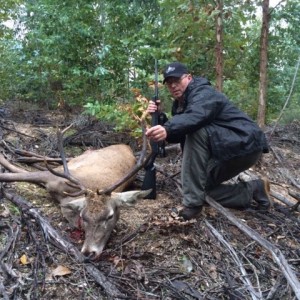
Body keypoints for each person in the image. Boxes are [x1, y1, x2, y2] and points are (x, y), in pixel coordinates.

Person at [145, 62, 270, 221]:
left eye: (177, 80)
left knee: (196, 131)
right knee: (196, 188)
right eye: (169, 83)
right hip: (227, 148)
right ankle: (253, 190)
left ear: (189, 78)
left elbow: (196, 117)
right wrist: (160, 117)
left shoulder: (203, 92)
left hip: (245, 144)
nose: (174, 86)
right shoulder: (180, 105)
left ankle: (192, 206)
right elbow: (177, 133)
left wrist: (168, 127)